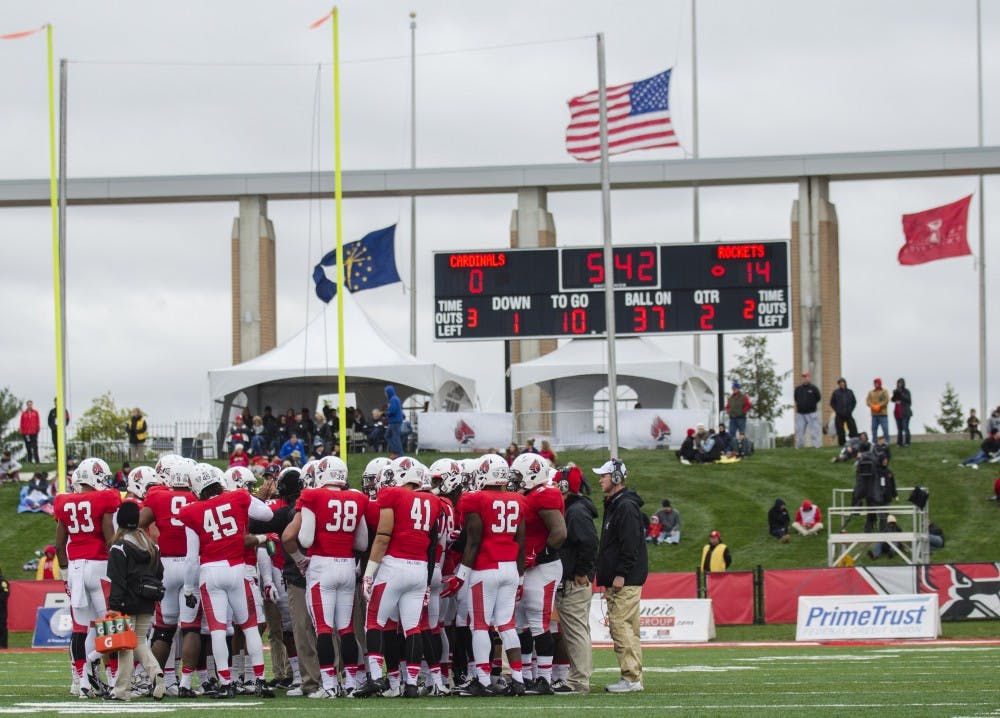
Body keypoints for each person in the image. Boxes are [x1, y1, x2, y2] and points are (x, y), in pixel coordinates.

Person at [54, 457, 122, 698]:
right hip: (100, 566)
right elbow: (109, 537)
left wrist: (65, 576)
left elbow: (59, 545)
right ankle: (114, 679)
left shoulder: (64, 501)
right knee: (110, 623)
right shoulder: (105, 497)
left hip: (74, 568)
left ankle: (82, 682)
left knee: (80, 629)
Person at [593, 459, 647, 694]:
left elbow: (630, 544)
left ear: (616, 478)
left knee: (620, 626)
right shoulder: (617, 504)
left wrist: (620, 574)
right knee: (628, 628)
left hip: (624, 579)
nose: (600, 479)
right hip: (623, 577)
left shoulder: (624, 506)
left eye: (604, 475)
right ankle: (633, 676)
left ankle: (631, 677)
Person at [106, 501, 166, 701]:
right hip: (147, 601)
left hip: (126, 603)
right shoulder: (151, 545)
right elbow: (159, 573)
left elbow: (118, 579)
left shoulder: (119, 547)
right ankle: (156, 673)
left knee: (125, 646)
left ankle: (122, 690)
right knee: (139, 641)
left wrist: (114, 606)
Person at [555, 467, 597, 694]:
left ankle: (579, 680)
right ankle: (579, 676)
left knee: (576, 631)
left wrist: (582, 571)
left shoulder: (576, 511)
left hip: (574, 580)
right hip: (574, 578)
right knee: (577, 630)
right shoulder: (575, 509)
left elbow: (588, 542)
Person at [793, 371, 822, 448]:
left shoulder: (814, 388)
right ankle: (799, 447)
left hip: (811, 413)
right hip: (800, 414)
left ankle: (816, 446)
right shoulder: (798, 389)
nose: (805, 379)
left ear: (809, 378)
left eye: (806, 377)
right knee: (799, 431)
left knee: (815, 431)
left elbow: (818, 398)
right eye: (803, 377)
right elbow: (796, 398)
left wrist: (811, 405)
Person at [829, 377, 858, 447]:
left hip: (848, 414)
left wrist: (850, 410)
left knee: (853, 429)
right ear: (839, 384)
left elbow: (854, 402)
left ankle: (854, 443)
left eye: (843, 382)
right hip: (839, 415)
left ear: (845, 383)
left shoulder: (850, 392)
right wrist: (837, 410)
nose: (842, 384)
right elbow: (832, 403)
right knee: (840, 431)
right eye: (840, 383)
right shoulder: (836, 393)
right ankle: (842, 444)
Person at [866, 378, 890, 444]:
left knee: (885, 429)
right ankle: (874, 442)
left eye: (877, 383)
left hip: (883, 414)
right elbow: (868, 401)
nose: (876, 384)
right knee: (874, 429)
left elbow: (886, 400)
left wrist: (879, 406)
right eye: (875, 383)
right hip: (874, 415)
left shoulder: (884, 391)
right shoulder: (871, 392)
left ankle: (886, 441)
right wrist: (872, 406)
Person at [891, 378, 912, 448]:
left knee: (905, 428)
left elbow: (909, 400)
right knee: (899, 429)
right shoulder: (895, 391)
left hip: (905, 413)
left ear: (903, 384)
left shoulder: (906, 391)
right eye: (898, 383)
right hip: (897, 413)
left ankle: (907, 442)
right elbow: (893, 399)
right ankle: (899, 443)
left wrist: (901, 395)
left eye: (900, 383)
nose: (899, 384)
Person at [384, 385, 404, 458]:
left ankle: (399, 453)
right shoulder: (395, 399)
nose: (385, 394)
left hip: (395, 421)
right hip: (395, 421)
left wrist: (385, 413)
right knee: (388, 436)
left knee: (395, 437)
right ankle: (396, 452)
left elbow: (393, 410)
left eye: (386, 392)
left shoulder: (393, 399)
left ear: (389, 392)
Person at [19, 399, 40, 464]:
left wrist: (37, 429)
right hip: (26, 433)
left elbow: (38, 421)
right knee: (28, 447)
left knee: (35, 447)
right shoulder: (24, 413)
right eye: (28, 404)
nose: (30, 406)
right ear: (27, 405)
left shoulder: (35, 412)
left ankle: (37, 461)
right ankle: (29, 461)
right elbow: (21, 423)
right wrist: (22, 431)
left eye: (31, 404)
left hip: (34, 432)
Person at [0, 565, 8, 649]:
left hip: (1, 608)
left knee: (2, 625)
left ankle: (3, 646)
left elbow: (5, 593)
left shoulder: (2, 581)